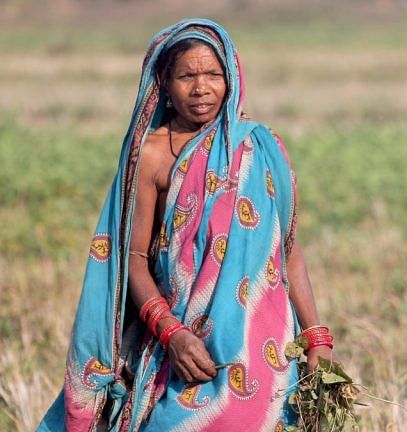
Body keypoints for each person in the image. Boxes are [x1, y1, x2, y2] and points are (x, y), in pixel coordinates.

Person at [37, 18, 336, 431]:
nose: (201, 88)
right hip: (185, 346)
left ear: (231, 78)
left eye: (213, 74)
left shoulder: (260, 146)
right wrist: (171, 334)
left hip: (263, 347)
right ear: (164, 81)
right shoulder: (152, 154)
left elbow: (287, 250)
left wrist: (317, 338)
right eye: (187, 76)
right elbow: (134, 259)